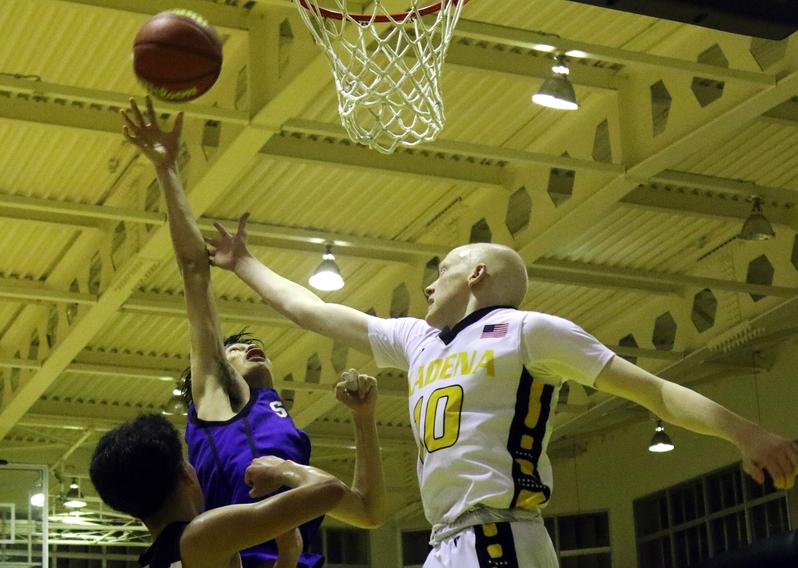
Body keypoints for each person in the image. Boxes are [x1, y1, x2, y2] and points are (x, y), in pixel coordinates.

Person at [206, 218, 798, 568]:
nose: (429, 283)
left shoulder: (529, 331)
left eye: (440, 271)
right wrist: (245, 263)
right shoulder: (416, 338)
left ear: (476, 276)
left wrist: (744, 432)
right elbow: (311, 311)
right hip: (447, 541)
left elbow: (655, 392)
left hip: (499, 535)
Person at [120, 97, 385, 568]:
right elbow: (193, 272)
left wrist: (364, 420)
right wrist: (167, 170)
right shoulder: (218, 402)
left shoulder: (288, 438)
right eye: (234, 347)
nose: (246, 346)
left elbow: (369, 511)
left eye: (249, 343)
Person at [90, 412, 343, 568]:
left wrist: (288, 556)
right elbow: (331, 490)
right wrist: (281, 470)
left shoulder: (166, 556)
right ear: (186, 473)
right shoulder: (201, 536)